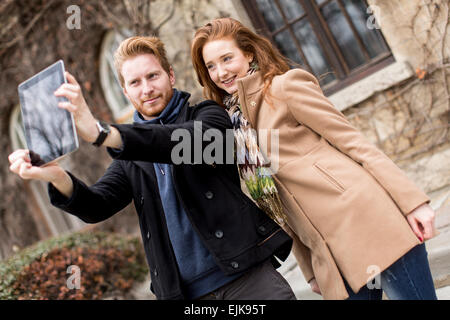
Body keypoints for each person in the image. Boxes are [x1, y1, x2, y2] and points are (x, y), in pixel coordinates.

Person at [8, 36, 295, 300]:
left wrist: (102, 132)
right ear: (125, 91)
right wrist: (55, 175)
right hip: (186, 296)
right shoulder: (129, 155)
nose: (146, 89)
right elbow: (96, 206)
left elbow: (183, 143)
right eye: (135, 83)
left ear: (170, 76)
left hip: (248, 280)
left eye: (153, 76)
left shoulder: (207, 115)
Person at [190, 17, 438, 300]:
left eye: (226, 58)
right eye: (211, 66)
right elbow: (276, 204)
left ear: (248, 53)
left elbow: (353, 143)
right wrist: (309, 269)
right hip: (330, 257)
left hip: (369, 222)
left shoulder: (284, 88)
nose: (221, 72)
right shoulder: (235, 126)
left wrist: (413, 203)